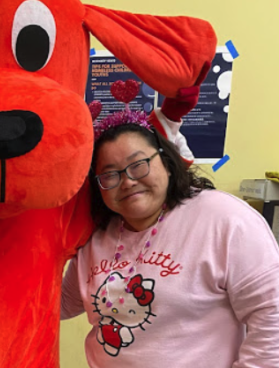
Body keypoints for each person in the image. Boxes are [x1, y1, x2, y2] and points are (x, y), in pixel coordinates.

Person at [61, 119, 279, 367]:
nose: (128, 181)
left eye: (138, 164)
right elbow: (60, 306)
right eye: (110, 174)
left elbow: (272, 314)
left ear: (166, 163)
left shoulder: (224, 218)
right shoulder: (95, 235)